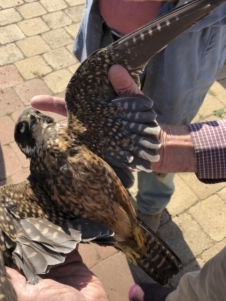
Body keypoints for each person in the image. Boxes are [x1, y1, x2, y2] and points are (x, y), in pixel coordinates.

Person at [0, 65, 226, 300]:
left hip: (125, 216)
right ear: (27, 144)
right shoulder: (31, 191)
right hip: (110, 228)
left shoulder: (78, 131)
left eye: (35, 116)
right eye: (27, 126)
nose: (34, 119)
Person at [73, 0, 226, 232]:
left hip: (179, 52)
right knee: (98, 126)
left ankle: (150, 207)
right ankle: (108, 190)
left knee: (160, 138)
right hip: (106, 35)